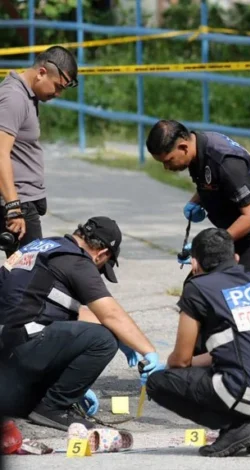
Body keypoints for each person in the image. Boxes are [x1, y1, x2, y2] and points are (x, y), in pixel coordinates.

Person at [145, 228, 250, 457]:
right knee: (238, 366)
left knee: (158, 383)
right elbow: (236, 346)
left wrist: (168, 368)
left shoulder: (198, 287)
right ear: (236, 258)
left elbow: (180, 360)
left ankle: (235, 427)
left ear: (194, 263)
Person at [0, 217, 165, 430]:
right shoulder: (76, 261)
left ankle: (44, 396)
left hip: (9, 344)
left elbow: (65, 309)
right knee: (103, 340)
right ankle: (54, 407)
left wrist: (127, 339)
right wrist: (149, 352)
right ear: (102, 254)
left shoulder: (44, 247)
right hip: (22, 344)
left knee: (97, 331)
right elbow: (111, 314)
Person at [146, 120, 250, 286]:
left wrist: (214, 245)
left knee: (246, 294)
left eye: (169, 160)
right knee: (197, 288)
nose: (166, 167)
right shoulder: (197, 150)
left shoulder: (224, 160)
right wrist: (195, 202)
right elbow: (214, 182)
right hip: (241, 227)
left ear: (183, 147)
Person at [0, 46, 78, 257]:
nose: (58, 94)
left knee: (20, 278)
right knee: (29, 280)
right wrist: (13, 208)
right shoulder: (14, 98)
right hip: (18, 204)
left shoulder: (27, 95)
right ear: (42, 72)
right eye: (57, 87)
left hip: (24, 202)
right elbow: (0, 154)